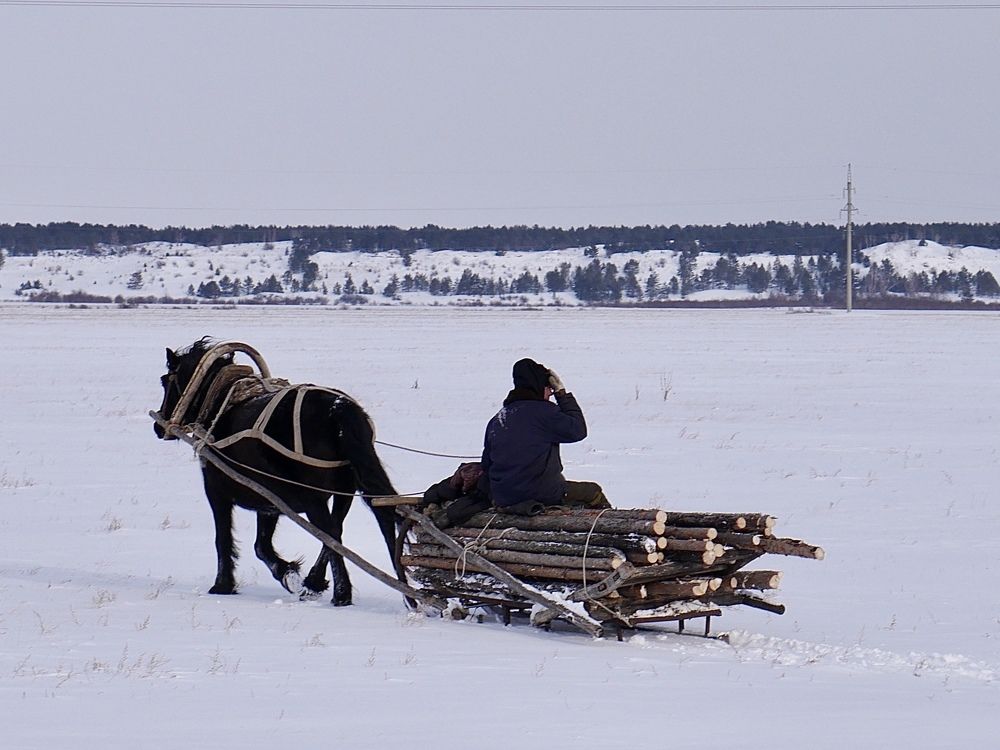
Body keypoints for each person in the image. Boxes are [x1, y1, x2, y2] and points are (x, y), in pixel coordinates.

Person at [479, 358, 609, 514]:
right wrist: (562, 394)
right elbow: (578, 430)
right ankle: (610, 526)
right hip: (541, 493)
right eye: (549, 389)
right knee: (593, 492)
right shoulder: (545, 412)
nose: (549, 394)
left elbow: (486, 464)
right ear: (540, 387)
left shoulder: (498, 418)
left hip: (503, 496)